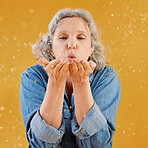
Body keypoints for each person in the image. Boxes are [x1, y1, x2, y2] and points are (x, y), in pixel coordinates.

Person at [20, 8, 121, 148]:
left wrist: (81, 82)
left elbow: (98, 145)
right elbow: (40, 145)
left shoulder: (107, 77)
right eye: (62, 37)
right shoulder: (32, 77)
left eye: (80, 38)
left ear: (91, 47)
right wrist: (55, 83)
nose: (71, 45)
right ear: (50, 48)